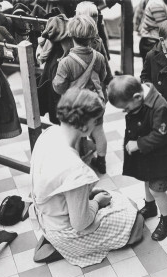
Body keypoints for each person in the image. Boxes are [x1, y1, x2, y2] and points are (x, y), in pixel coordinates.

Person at [29, 88, 142, 267]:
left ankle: (53, 242)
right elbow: (80, 223)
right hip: (64, 231)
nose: (97, 125)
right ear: (84, 127)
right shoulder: (76, 169)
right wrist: (95, 201)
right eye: (95, 121)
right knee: (135, 220)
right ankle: (65, 249)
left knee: (115, 200)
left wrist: (86, 195)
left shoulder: (48, 134)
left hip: (46, 215)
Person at [108, 75, 167, 241]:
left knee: (156, 189)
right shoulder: (139, 100)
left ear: (137, 97)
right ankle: (150, 208)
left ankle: (166, 219)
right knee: (146, 179)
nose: (126, 111)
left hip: (161, 157)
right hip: (147, 155)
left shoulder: (159, 106)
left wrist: (138, 144)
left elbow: (160, 136)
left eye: (126, 108)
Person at [53, 14, 108, 174]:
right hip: (95, 102)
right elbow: (103, 77)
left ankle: (77, 164)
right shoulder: (98, 57)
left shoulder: (66, 62)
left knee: (75, 132)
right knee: (99, 132)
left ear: (70, 35)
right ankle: (102, 161)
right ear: (92, 36)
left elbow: (58, 86)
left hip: (75, 104)